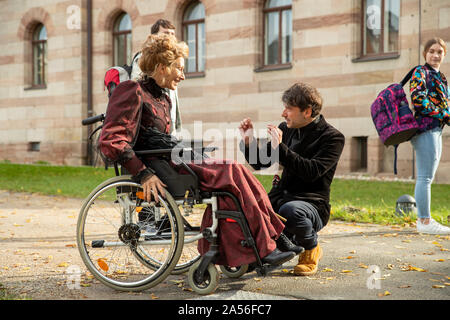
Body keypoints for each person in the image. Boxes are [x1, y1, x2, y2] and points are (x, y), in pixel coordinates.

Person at [98, 33, 296, 268]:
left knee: (238, 173)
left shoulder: (162, 98)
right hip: (160, 169)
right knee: (231, 170)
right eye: (179, 69)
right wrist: (142, 173)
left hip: (174, 161)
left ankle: (270, 240)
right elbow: (110, 139)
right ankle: (266, 245)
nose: (183, 75)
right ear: (162, 67)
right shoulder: (132, 90)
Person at [239, 82, 345, 276]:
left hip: (312, 205)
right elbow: (259, 163)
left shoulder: (333, 138)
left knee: (291, 210)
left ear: (307, 112)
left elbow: (312, 171)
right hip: (281, 200)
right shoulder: (285, 129)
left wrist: (281, 149)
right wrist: (249, 142)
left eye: (289, 108)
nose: (283, 113)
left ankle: (311, 249)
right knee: (249, 205)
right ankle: (263, 252)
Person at [410, 37, 450, 235]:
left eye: (439, 52)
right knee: (425, 177)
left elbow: (445, 104)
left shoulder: (440, 76)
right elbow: (418, 100)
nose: (435, 55)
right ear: (425, 53)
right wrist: (444, 114)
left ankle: (425, 219)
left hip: (436, 129)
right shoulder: (421, 72)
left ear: (444, 54)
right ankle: (424, 222)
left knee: (428, 176)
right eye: (432, 51)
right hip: (425, 129)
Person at [130, 19, 182, 135]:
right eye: (166, 33)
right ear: (154, 36)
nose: (170, 37)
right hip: (152, 124)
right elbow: (136, 86)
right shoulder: (144, 57)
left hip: (168, 122)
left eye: (172, 34)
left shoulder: (172, 60)